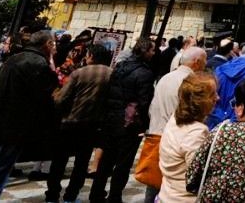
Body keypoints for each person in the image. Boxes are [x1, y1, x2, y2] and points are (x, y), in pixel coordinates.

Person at [0, 31, 58, 203]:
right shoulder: (39, 64)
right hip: (15, 127)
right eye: (54, 44)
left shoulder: (13, 59)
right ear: (48, 44)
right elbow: (46, 97)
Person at [89, 37, 157, 203]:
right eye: (152, 50)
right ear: (145, 51)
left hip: (112, 119)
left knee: (106, 160)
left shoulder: (120, 67)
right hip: (129, 124)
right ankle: (114, 196)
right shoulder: (145, 73)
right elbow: (144, 102)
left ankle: (96, 194)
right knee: (123, 164)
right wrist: (144, 125)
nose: (154, 53)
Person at [45, 43, 113, 203]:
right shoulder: (111, 74)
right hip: (92, 125)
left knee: (59, 162)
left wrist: (55, 96)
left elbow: (62, 98)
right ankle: (71, 196)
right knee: (81, 164)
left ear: (91, 56)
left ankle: (52, 195)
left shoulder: (79, 73)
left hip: (70, 122)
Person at [142, 46, 208, 202]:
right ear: (197, 62)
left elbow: (152, 108)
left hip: (156, 135)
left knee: (154, 182)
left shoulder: (166, 77)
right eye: (204, 61)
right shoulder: (190, 83)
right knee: (169, 183)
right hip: (175, 140)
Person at [158, 73, 216, 202]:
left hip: (167, 194)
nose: (217, 98)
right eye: (212, 95)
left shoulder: (175, 118)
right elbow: (197, 175)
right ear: (200, 102)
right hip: (183, 199)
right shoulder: (196, 132)